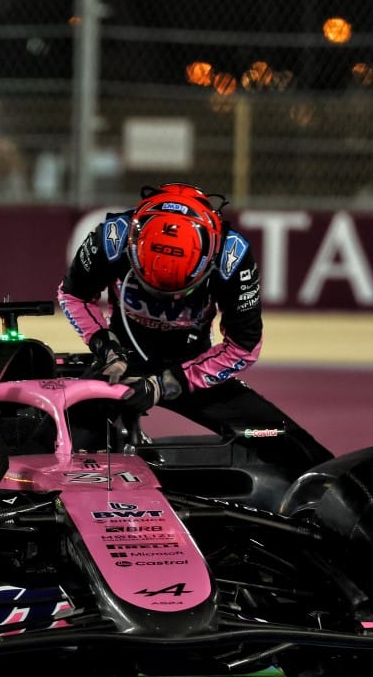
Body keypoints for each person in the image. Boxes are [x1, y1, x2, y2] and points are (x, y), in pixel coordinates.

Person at [57, 182, 332, 478]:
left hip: (192, 370)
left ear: (208, 261)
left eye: (177, 293)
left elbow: (244, 346)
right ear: (134, 247)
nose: (164, 302)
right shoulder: (112, 238)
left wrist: (166, 384)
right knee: (60, 441)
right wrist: (105, 346)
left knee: (299, 452)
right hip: (120, 361)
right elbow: (73, 295)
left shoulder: (232, 258)